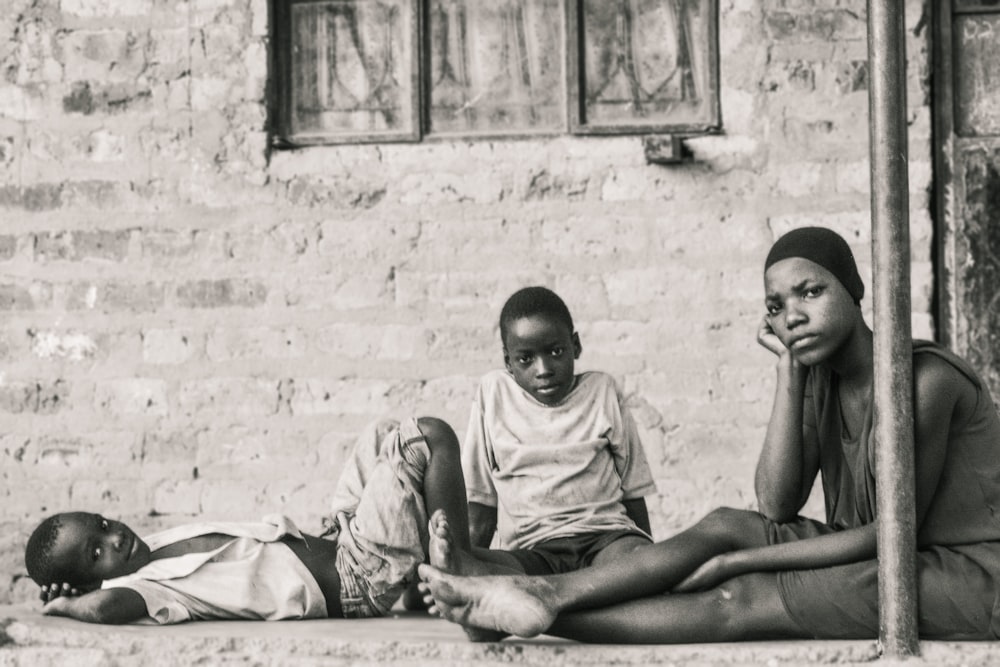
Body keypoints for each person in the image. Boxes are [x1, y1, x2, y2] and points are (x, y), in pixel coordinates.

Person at [417, 227, 1000, 643]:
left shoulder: (922, 382)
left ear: (855, 291)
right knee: (725, 523)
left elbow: (890, 538)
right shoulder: (819, 377)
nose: (791, 315)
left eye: (811, 292)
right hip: (880, 551)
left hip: (962, 574)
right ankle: (531, 596)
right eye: (775, 306)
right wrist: (789, 375)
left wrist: (734, 566)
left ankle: (534, 607)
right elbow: (776, 502)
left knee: (740, 597)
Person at [25, 416, 475, 624]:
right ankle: (463, 575)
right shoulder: (148, 591)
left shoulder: (156, 544)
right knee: (428, 435)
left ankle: (419, 583)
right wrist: (66, 605)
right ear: (92, 582)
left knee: (382, 432)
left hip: (338, 540)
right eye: (97, 552)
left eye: (104, 525)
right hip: (358, 579)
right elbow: (106, 607)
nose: (115, 538)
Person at [454, 285, 657, 580]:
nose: (544, 368)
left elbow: (633, 491)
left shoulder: (603, 392)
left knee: (640, 565)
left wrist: (652, 563)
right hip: (533, 551)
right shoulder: (493, 395)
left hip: (606, 541)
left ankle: (560, 596)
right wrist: (466, 572)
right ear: (508, 362)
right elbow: (482, 503)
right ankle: (575, 595)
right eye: (526, 359)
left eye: (556, 351)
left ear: (575, 345)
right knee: (491, 570)